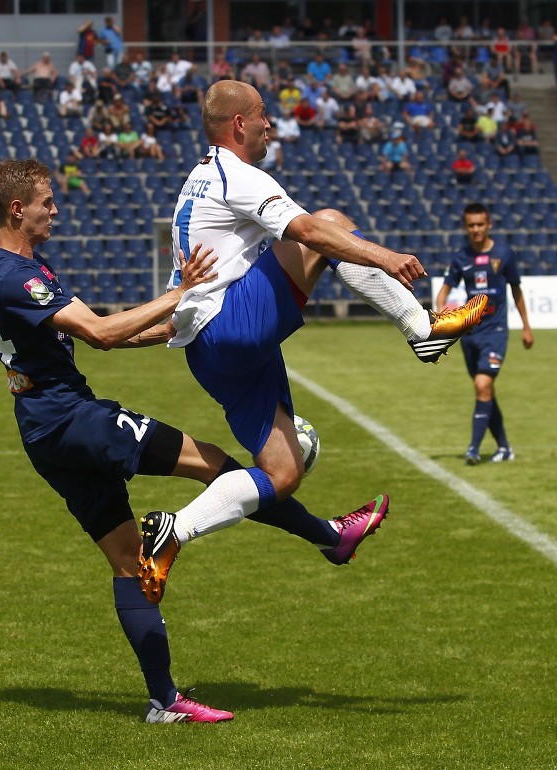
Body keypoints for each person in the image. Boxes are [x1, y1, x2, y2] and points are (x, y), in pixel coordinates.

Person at [135, 80, 488, 599]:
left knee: (282, 473)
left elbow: (182, 301)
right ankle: (423, 330)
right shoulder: (237, 175)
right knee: (332, 222)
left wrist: (113, 338)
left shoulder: (196, 183)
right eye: (261, 116)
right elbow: (311, 234)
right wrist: (384, 256)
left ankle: (173, 533)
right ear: (238, 124)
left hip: (211, 354)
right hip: (234, 327)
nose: (269, 125)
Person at [0, 157, 240, 723]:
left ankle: (164, 702)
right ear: (18, 209)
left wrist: (160, 333)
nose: (56, 208)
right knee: (225, 469)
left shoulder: (26, 268)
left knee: (130, 564)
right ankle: (326, 533)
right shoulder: (14, 276)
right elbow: (99, 332)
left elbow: (97, 333)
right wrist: (181, 292)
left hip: (47, 431)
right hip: (72, 421)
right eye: (48, 201)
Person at [436, 203, 533, 464]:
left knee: (482, 385)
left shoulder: (504, 254)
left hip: (496, 332)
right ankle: (504, 448)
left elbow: (517, 290)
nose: (476, 229)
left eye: (480, 224)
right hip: (471, 335)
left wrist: (526, 326)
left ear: (489, 224)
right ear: (465, 227)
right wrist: (443, 314)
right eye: (471, 225)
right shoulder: (461, 258)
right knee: (485, 392)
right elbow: (443, 293)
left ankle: (473, 450)